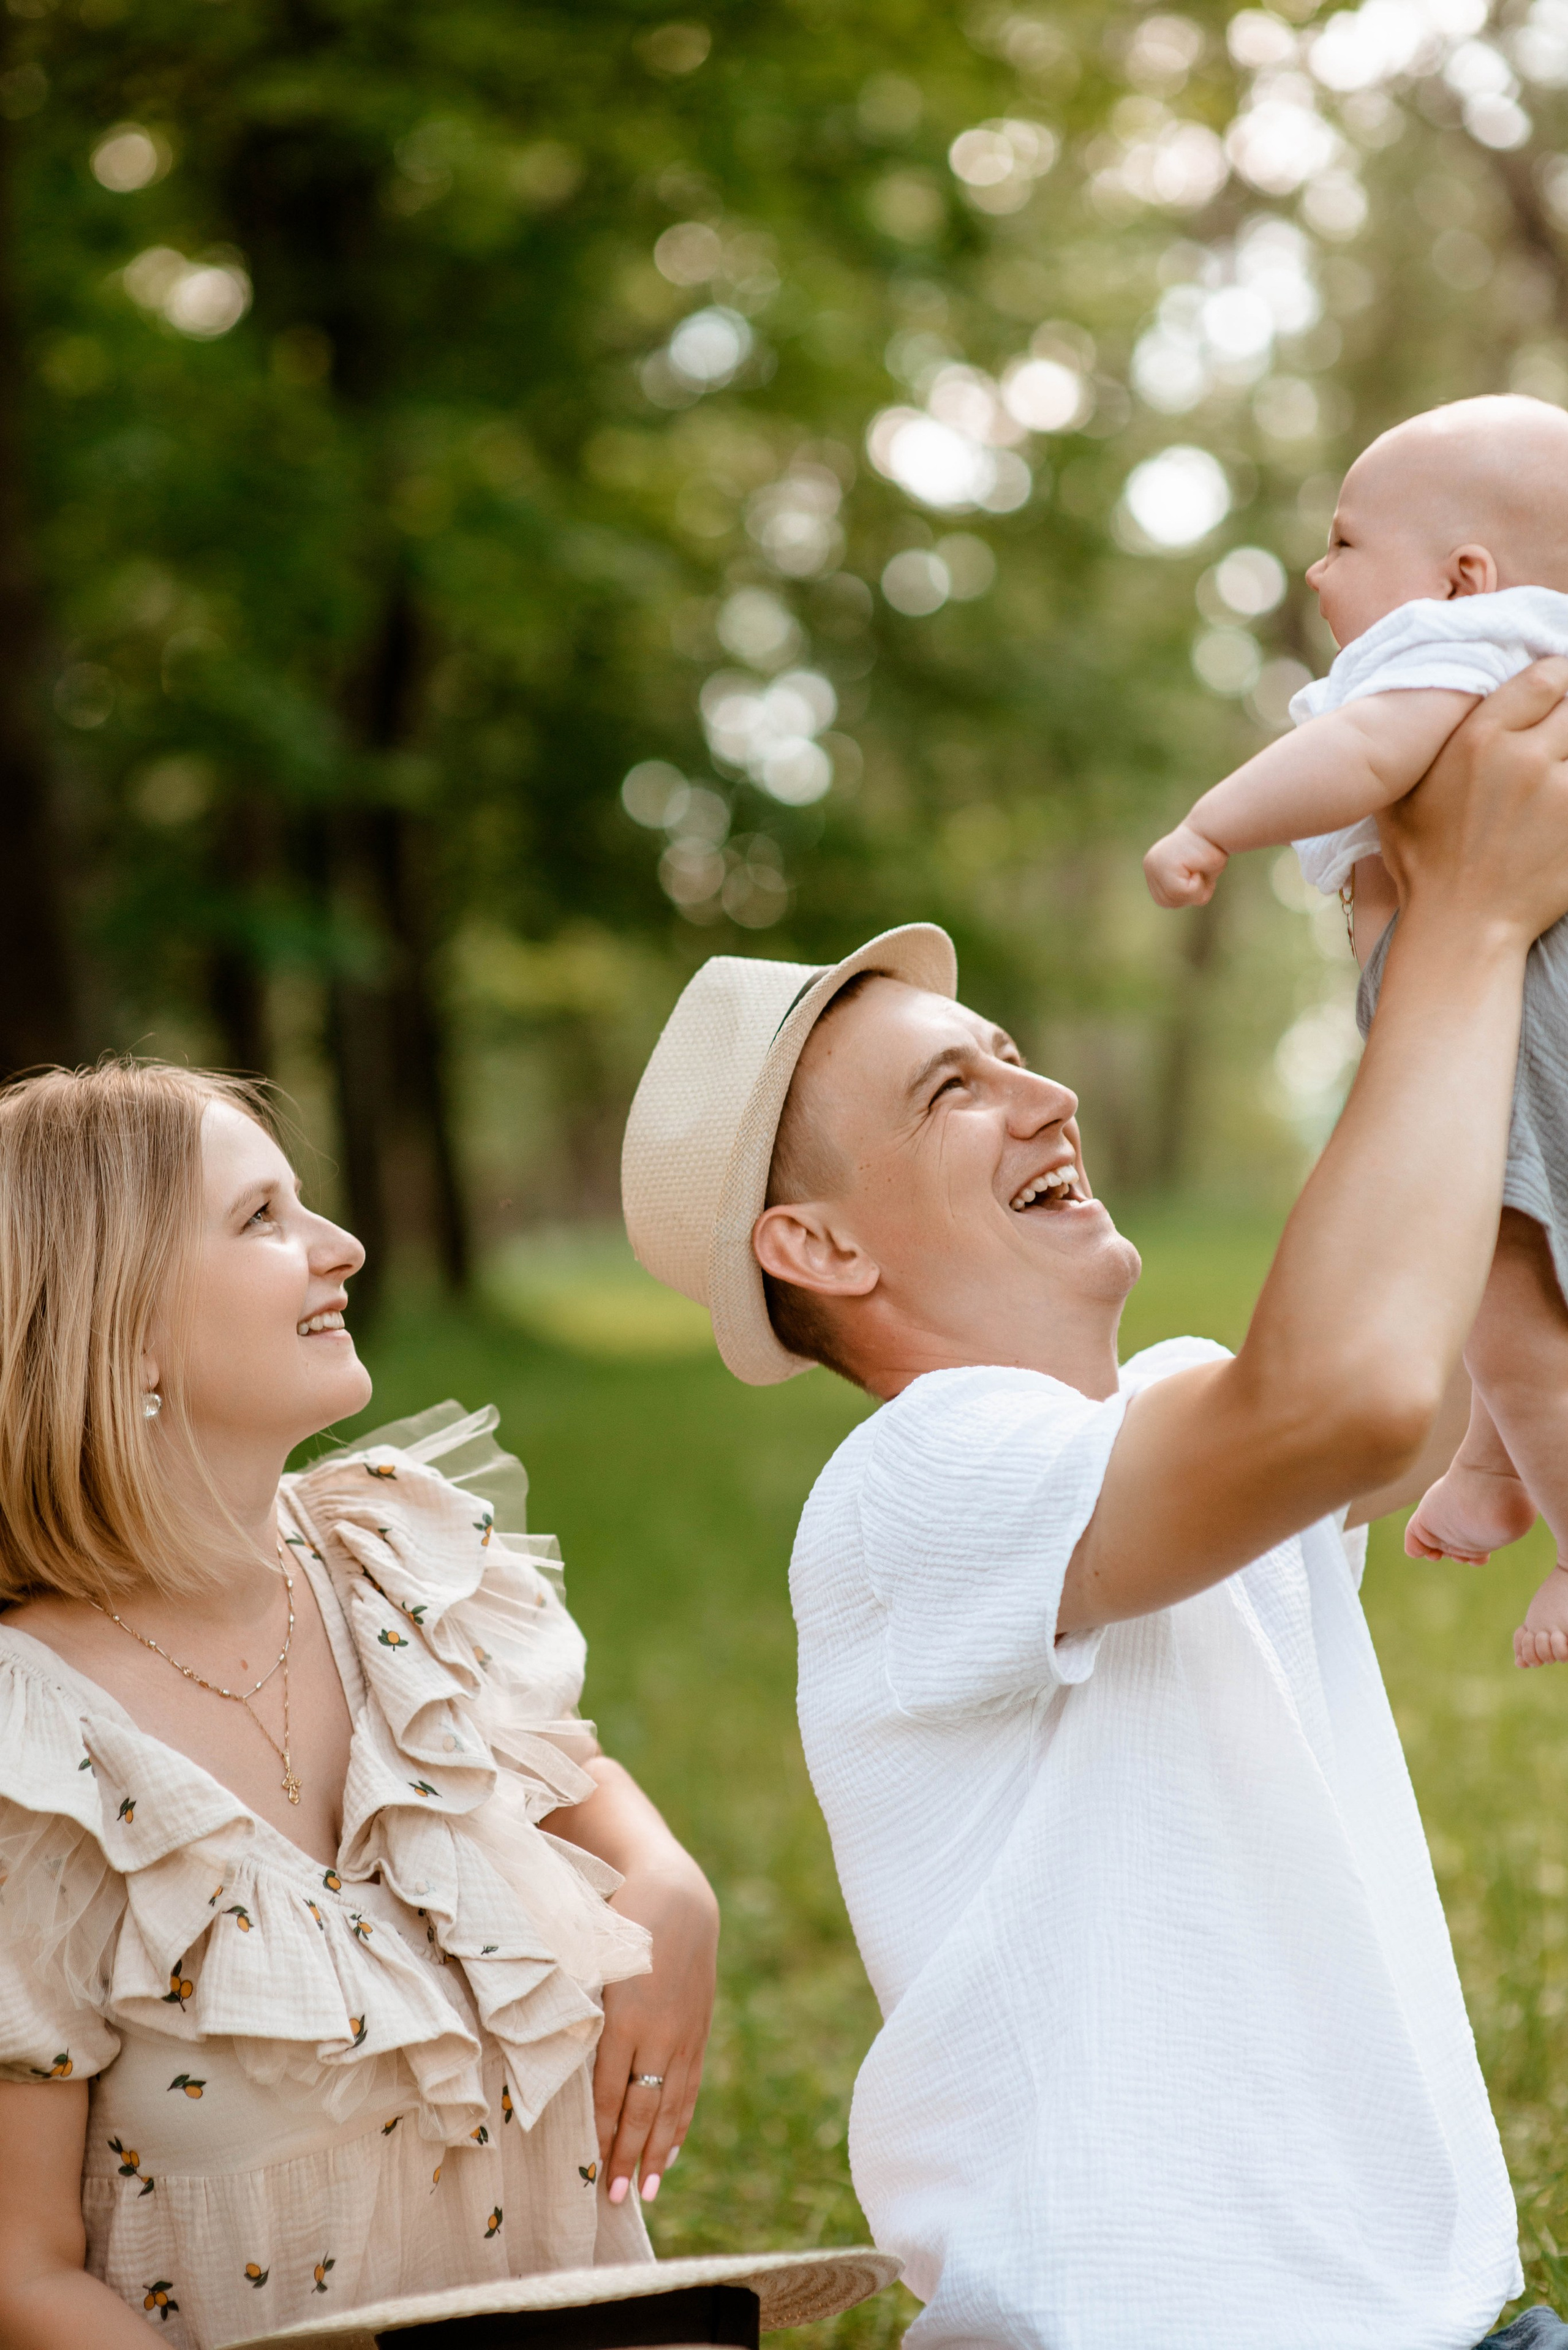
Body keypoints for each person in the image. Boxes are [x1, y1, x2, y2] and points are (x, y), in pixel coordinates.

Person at [619, 666, 1568, 2349]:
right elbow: (1344, 1389)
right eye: (949, 1090)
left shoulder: (1168, 1412)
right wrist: (1471, 927)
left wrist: (1408, 912)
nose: (1044, 1093)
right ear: (821, 1248)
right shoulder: (917, 1482)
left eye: (1011, 1054)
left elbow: (1408, 1345)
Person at [0, 1063, 718, 2350]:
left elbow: (548, 1760)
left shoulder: (398, 1562)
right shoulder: (29, 1759)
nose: (342, 1246)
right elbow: (20, 2273)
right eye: (262, 1217)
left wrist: (666, 1876)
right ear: (121, 1322)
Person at [1144, 395, 1568, 1666]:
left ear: (1459, 574)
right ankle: (1492, 1466)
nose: (1317, 569)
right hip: (1518, 995)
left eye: (1341, 539)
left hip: (1491, 1012)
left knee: (1497, 1288)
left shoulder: (1446, 646)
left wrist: (1208, 824)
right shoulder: (1527, 645)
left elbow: (1359, 754)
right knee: (1518, 1273)